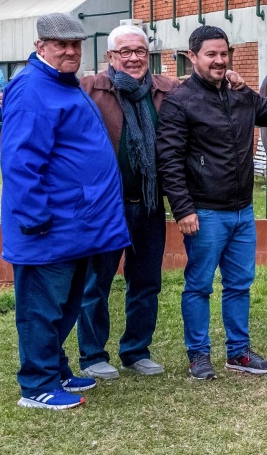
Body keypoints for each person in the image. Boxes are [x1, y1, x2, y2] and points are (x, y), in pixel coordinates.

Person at [156, 25, 267, 380]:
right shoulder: (180, 103)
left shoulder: (240, 95)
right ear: (193, 57)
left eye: (224, 54)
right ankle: (199, 355)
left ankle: (238, 352)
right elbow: (169, 160)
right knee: (199, 286)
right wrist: (183, 209)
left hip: (241, 210)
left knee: (239, 284)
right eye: (211, 55)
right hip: (204, 212)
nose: (219, 61)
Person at [1, 13, 130, 410]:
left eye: (76, 45)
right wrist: (35, 219)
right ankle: (36, 385)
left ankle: (55, 369)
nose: (71, 51)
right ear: (41, 47)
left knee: (65, 305)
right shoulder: (32, 89)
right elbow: (21, 162)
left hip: (76, 225)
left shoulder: (62, 83)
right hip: (49, 228)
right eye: (61, 45)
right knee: (41, 308)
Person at [75, 26, 180, 380]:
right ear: (110, 57)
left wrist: (228, 75)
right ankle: (92, 354)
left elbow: (203, 86)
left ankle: (136, 350)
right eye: (125, 52)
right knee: (97, 282)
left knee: (147, 281)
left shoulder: (165, 90)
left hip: (150, 203)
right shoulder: (90, 89)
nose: (134, 58)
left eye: (140, 51)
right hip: (107, 207)